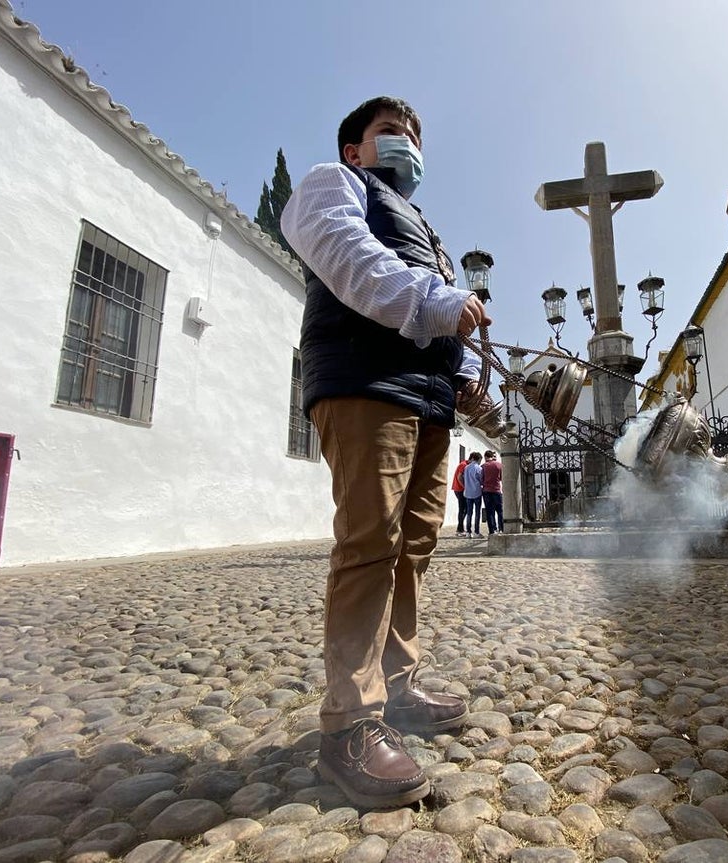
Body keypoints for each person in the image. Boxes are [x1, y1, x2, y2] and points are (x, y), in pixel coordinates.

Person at [280, 96, 492, 809]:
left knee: (416, 544)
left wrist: (465, 380)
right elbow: (346, 252)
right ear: (354, 149)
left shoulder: (430, 232)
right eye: (390, 133)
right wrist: (435, 299)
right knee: (371, 541)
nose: (406, 145)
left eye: (412, 136)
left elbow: (443, 319)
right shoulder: (332, 185)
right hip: (363, 378)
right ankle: (349, 722)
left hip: (426, 399)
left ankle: (396, 686)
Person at [481, 450, 504, 535]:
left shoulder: (483, 466)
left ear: (485, 457)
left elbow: (481, 479)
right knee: (500, 511)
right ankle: (501, 528)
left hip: (486, 491)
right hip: (497, 490)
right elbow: (502, 477)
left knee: (490, 512)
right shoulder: (499, 465)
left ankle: (492, 530)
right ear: (492, 456)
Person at [463, 451, 484, 537]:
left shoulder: (466, 467)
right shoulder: (478, 468)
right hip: (477, 492)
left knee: (469, 513)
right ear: (479, 459)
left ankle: (468, 532)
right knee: (477, 513)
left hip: (468, 492)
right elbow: (481, 480)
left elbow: (464, 478)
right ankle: (476, 532)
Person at [451, 456, 468, 536]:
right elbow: (459, 477)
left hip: (459, 489)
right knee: (462, 509)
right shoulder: (463, 465)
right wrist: (465, 487)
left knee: (465, 509)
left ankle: (460, 528)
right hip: (459, 489)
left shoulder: (463, 464)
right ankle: (460, 530)